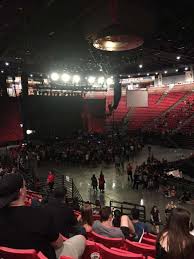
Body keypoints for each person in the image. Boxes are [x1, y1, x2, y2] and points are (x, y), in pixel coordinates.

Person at [0, 173, 86, 259]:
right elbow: (58, 244)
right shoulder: (39, 214)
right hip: (45, 255)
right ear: (21, 192)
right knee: (81, 239)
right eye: (25, 186)